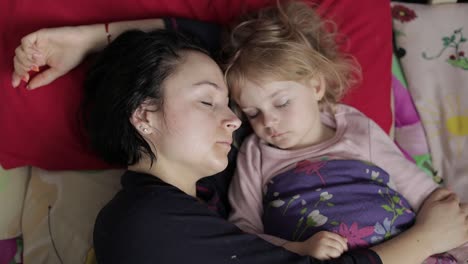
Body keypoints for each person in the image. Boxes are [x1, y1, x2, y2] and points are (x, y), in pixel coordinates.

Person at [10, 7, 468, 264]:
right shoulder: (141, 222)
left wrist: (95, 37)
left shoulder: (204, 194)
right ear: (143, 115)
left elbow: (252, 52)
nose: (237, 120)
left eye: (231, 106)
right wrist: (426, 240)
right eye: (210, 102)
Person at [222, 1, 468, 263]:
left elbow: (419, 189)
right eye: (252, 113)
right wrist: (299, 248)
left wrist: (456, 234)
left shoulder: (354, 127)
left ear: (316, 86)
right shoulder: (255, 154)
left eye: (282, 102)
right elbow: (243, 232)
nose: (268, 121)